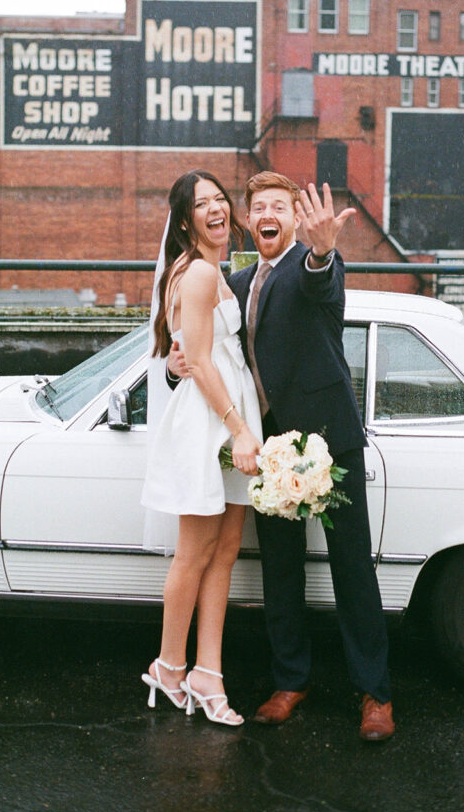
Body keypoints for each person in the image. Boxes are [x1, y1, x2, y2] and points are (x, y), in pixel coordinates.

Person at [169, 170, 394, 742]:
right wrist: (179, 367)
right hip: (266, 447)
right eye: (258, 206)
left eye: (279, 205)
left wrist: (322, 249)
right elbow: (212, 353)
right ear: (249, 221)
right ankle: (290, 681)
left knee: (351, 567)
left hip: (329, 437)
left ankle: (376, 695)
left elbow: (322, 284)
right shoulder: (236, 283)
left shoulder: (317, 264)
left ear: (295, 218)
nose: (267, 213)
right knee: (282, 570)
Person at [141, 170, 262, 727]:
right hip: (213, 421)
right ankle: (168, 666)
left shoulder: (215, 269)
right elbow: (201, 360)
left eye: (220, 199)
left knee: (227, 548)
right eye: (202, 204)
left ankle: (207, 673)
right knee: (194, 551)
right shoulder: (196, 274)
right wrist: (238, 427)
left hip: (233, 415)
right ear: (186, 219)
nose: (215, 209)